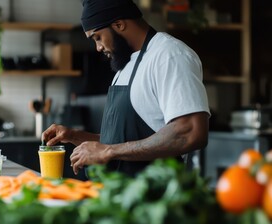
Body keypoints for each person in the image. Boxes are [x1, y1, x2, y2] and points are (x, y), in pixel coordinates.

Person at [42, 0, 210, 177]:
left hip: (153, 198)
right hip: (117, 196)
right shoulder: (125, 66)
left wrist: (108, 151)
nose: (98, 48)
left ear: (119, 24)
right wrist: (74, 135)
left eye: (97, 37)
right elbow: (119, 143)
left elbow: (191, 130)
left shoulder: (169, 55)